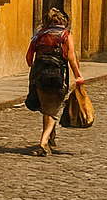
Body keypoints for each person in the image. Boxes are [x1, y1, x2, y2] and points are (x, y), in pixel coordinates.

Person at [26, 8, 83, 155]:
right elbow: (71, 57)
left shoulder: (39, 35)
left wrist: (37, 65)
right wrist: (78, 75)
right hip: (57, 77)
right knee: (52, 112)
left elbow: (29, 58)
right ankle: (43, 142)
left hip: (39, 77)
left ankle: (51, 139)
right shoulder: (65, 35)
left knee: (47, 109)